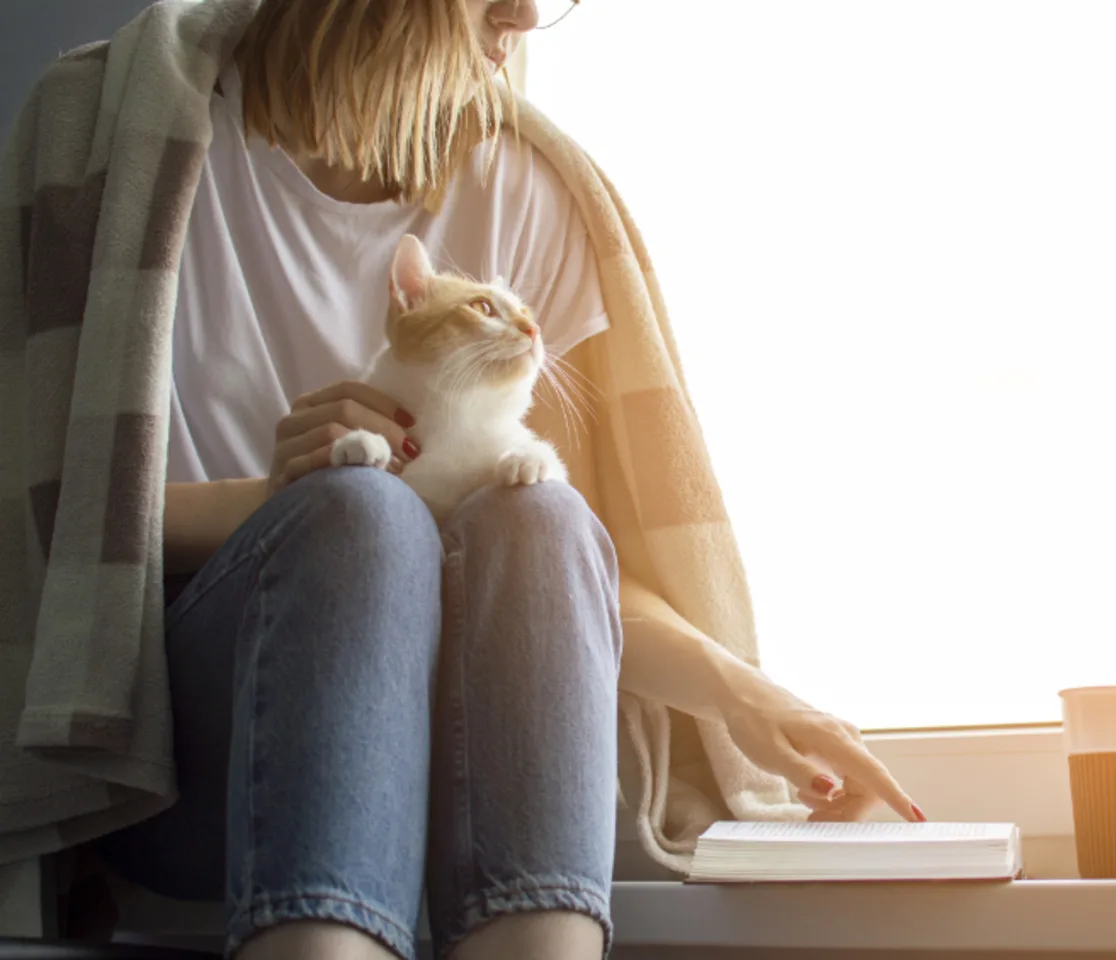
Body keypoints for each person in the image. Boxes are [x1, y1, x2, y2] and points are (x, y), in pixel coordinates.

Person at [22, 2, 930, 959]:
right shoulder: (112, 132)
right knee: (361, 517)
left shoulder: (528, 193)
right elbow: (54, 528)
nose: (529, 13)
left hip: (463, 761)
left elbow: (568, 578)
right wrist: (286, 505)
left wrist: (750, 698)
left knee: (541, 517)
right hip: (191, 758)